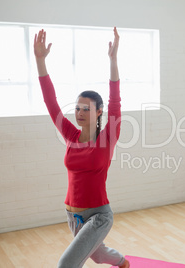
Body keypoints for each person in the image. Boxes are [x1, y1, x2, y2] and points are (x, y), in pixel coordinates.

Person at [34, 27, 130, 268]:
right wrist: (40, 61)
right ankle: (122, 261)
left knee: (66, 264)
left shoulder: (107, 138)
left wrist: (113, 60)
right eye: (77, 108)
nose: (80, 113)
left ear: (99, 112)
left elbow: (115, 101)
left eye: (86, 109)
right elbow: (51, 102)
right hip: (72, 215)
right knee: (97, 255)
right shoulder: (70, 135)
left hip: (99, 214)